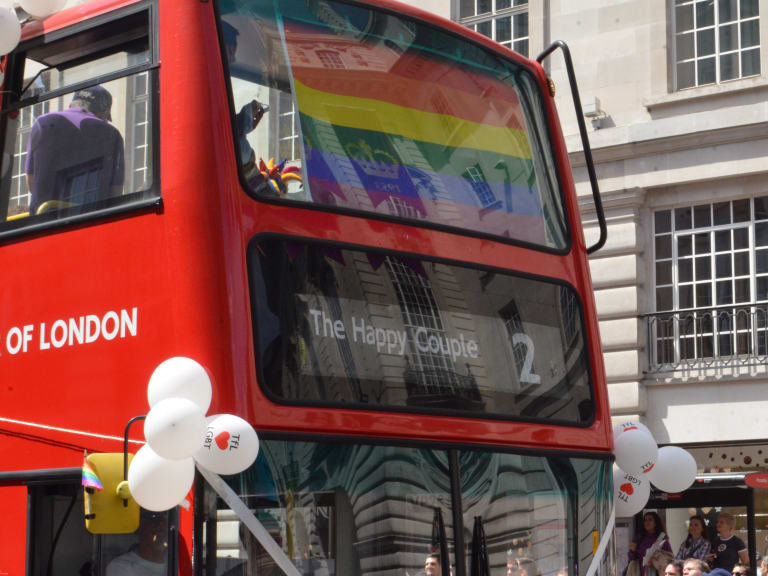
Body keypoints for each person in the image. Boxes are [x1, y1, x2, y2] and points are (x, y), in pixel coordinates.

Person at [25, 85, 124, 215]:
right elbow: (115, 192)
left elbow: (31, 182)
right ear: (103, 113)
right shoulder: (112, 133)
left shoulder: (42, 122)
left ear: (71, 106)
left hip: (41, 221)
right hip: (90, 221)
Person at [106, 510, 167, 576]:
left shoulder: (176, 562)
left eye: (163, 532)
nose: (161, 525)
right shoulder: (120, 566)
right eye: (156, 531)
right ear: (139, 528)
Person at [628, 512, 673, 576]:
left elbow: (670, 558)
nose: (647, 522)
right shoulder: (639, 539)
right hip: (640, 573)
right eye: (645, 520)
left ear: (655, 523)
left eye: (650, 520)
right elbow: (632, 559)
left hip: (657, 573)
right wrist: (632, 551)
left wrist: (654, 561)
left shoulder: (662, 539)